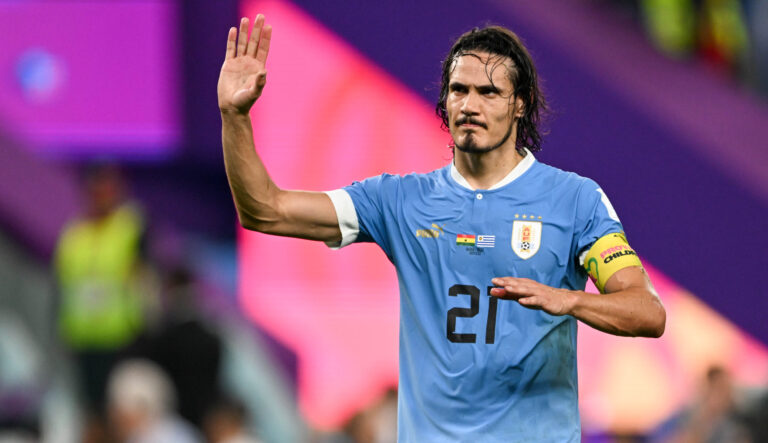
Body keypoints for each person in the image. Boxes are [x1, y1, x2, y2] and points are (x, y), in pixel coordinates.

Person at [218, 15, 666, 442]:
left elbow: (646, 312)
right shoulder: (398, 200)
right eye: (459, 90)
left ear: (520, 103)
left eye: (489, 92)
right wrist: (234, 118)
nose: (469, 105)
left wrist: (567, 299)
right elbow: (266, 210)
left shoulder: (574, 201)